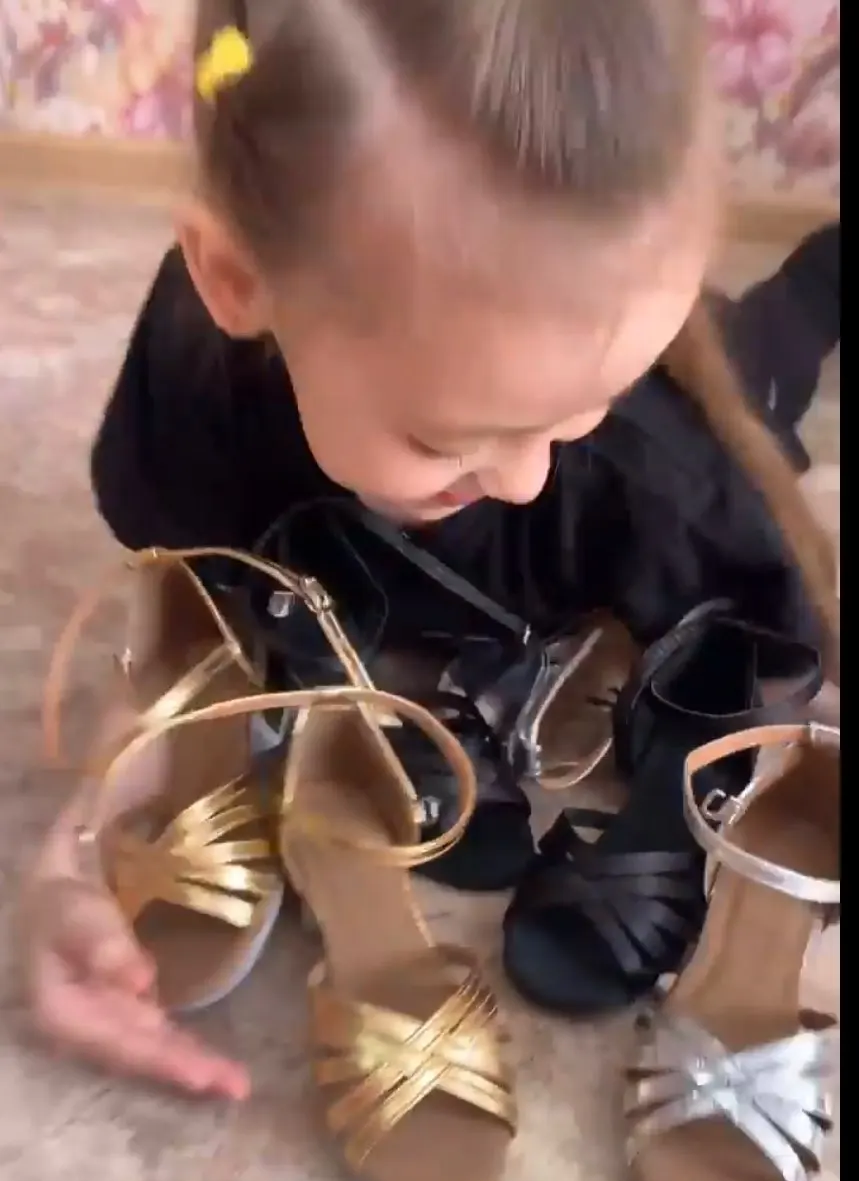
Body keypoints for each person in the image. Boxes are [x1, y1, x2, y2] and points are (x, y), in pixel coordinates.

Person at [22, 0, 839, 1100]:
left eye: (580, 409)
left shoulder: (663, 480)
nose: (527, 478)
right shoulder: (195, 368)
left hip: (694, 414)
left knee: (770, 347)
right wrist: (72, 854)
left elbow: (771, 680)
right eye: (448, 439)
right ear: (234, 280)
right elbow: (189, 633)